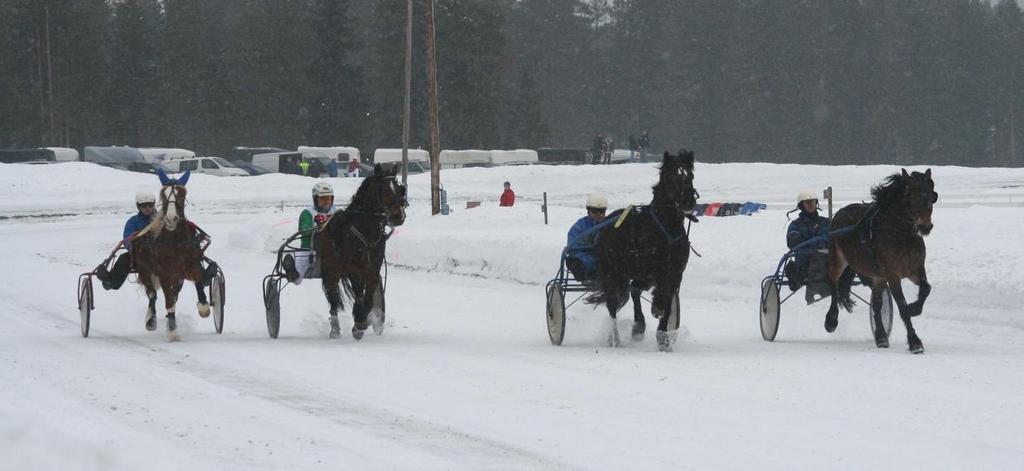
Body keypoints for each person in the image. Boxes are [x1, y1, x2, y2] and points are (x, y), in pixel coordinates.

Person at [95, 191, 157, 291]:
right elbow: (127, 239)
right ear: (138, 206)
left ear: (153, 205)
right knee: (124, 258)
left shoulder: (162, 219)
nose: (147, 208)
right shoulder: (133, 221)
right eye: (143, 205)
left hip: (161, 255)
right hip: (140, 256)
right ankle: (110, 281)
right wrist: (134, 246)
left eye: (150, 205)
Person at [282, 182, 337, 285]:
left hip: (333, 251)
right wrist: (318, 229)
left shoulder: (337, 212)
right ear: (315, 199)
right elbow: (305, 229)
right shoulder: (307, 213)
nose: (326, 202)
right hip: (310, 251)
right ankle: (291, 270)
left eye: (328, 199)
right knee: (297, 280)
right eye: (323, 199)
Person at [785, 190, 831, 291]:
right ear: (802, 205)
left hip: (827, 259)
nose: (811, 205)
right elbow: (793, 241)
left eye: (813, 202)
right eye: (807, 202)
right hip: (805, 262)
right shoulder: (795, 225)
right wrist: (814, 243)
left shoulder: (826, 222)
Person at [565, 193, 608, 281]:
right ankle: (587, 279)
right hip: (583, 258)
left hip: (603, 258)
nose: (598, 214)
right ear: (588, 211)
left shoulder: (609, 224)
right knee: (572, 262)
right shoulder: (580, 225)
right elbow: (573, 246)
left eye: (601, 211)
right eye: (594, 211)